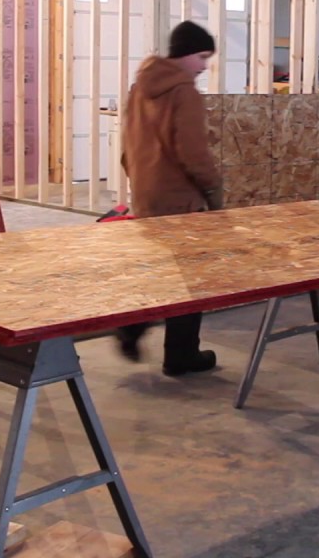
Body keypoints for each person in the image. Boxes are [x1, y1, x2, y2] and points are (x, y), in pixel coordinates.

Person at [114, 20, 223, 376]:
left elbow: (128, 145)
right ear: (187, 54)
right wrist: (212, 189)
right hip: (180, 200)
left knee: (161, 271)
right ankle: (181, 354)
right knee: (193, 278)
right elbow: (192, 152)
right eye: (202, 57)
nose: (204, 66)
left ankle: (132, 326)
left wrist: (138, 181)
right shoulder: (184, 93)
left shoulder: (139, 88)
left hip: (146, 194)